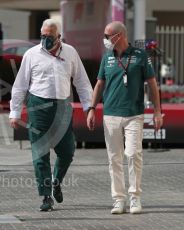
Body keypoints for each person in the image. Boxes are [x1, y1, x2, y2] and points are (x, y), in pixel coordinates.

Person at [9, 19, 93, 211]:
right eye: (43, 36)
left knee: (67, 151)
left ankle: (56, 181)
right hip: (38, 107)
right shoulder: (31, 55)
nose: (45, 40)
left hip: (63, 107)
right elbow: (20, 84)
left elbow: (82, 82)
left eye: (49, 37)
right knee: (40, 154)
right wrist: (14, 112)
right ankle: (46, 196)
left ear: (59, 37)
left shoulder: (71, 52)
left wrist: (89, 107)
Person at [87, 21, 163, 215]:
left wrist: (156, 111)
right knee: (114, 159)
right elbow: (99, 85)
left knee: (133, 154)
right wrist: (92, 108)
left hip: (134, 115)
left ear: (118, 36)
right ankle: (118, 199)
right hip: (110, 115)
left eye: (107, 36)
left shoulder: (140, 56)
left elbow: (152, 85)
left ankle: (135, 197)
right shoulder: (107, 58)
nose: (104, 40)